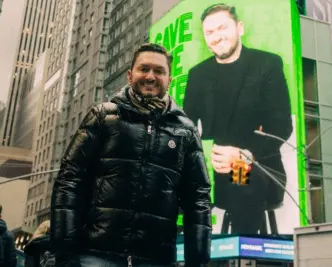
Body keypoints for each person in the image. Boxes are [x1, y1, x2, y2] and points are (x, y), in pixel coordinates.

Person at [50, 43, 212, 267]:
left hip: (156, 260)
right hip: (94, 256)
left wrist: (199, 262)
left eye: (159, 71)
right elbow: (69, 181)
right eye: (144, 69)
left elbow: (198, 199)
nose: (150, 76)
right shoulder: (102, 117)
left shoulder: (186, 131)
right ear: (129, 75)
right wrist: (65, 254)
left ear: (169, 79)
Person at [183, 3, 293, 235]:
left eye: (222, 28)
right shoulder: (198, 75)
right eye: (209, 32)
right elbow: (187, 130)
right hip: (212, 172)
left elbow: (281, 125)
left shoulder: (267, 65)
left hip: (255, 167)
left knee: (241, 180)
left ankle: (244, 256)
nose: (216, 37)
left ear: (240, 28)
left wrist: (245, 154)